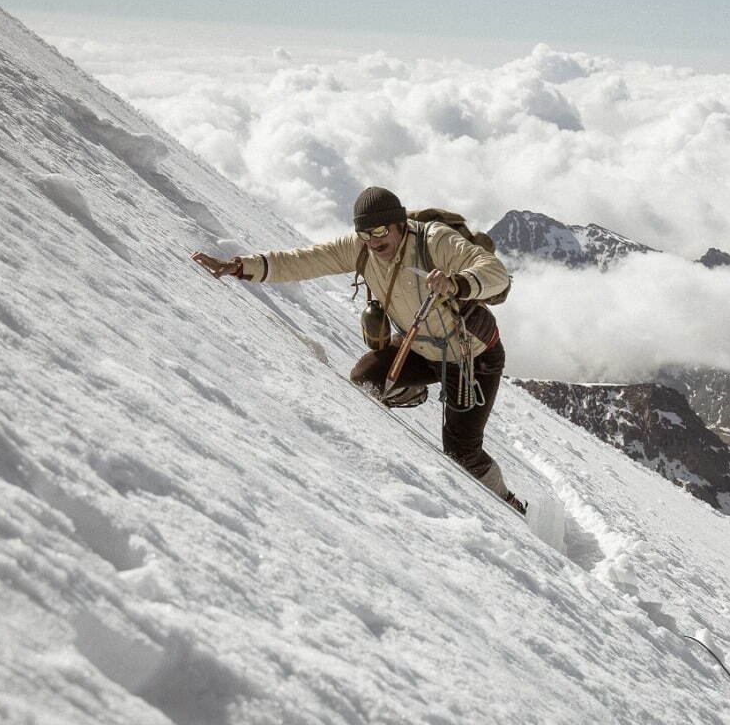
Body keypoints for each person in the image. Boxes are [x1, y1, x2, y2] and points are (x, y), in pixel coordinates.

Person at [193, 186, 525, 515]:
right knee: (365, 380)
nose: (373, 241)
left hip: (472, 358)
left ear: (399, 225)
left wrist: (457, 284)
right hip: (420, 347)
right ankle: (412, 389)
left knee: (462, 451)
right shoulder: (362, 249)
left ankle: (508, 505)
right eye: (364, 233)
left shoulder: (433, 240)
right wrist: (241, 266)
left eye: (380, 231)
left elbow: (495, 273)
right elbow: (304, 261)